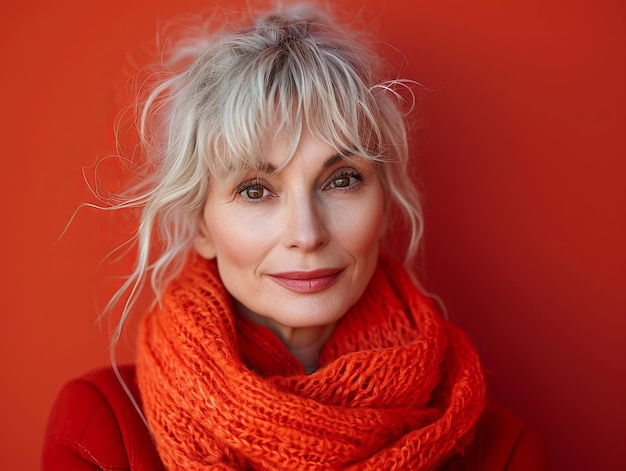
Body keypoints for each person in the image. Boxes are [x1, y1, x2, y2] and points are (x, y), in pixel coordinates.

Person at [43, 2, 547, 469]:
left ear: (385, 202)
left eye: (342, 179)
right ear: (202, 225)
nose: (306, 234)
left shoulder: (498, 448)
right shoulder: (102, 428)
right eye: (256, 190)